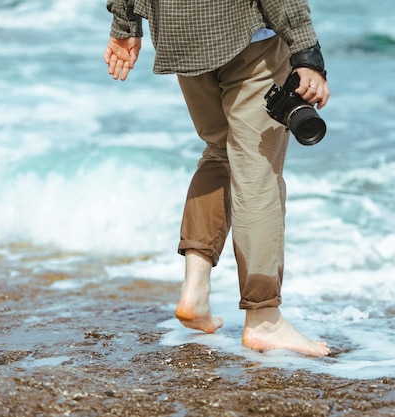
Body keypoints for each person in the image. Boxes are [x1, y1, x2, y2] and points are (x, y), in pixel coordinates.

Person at [104, 0, 330, 356]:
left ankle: (195, 290)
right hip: (247, 38)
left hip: (182, 38)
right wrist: (307, 53)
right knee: (257, 170)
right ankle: (264, 319)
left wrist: (125, 24)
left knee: (219, 151)